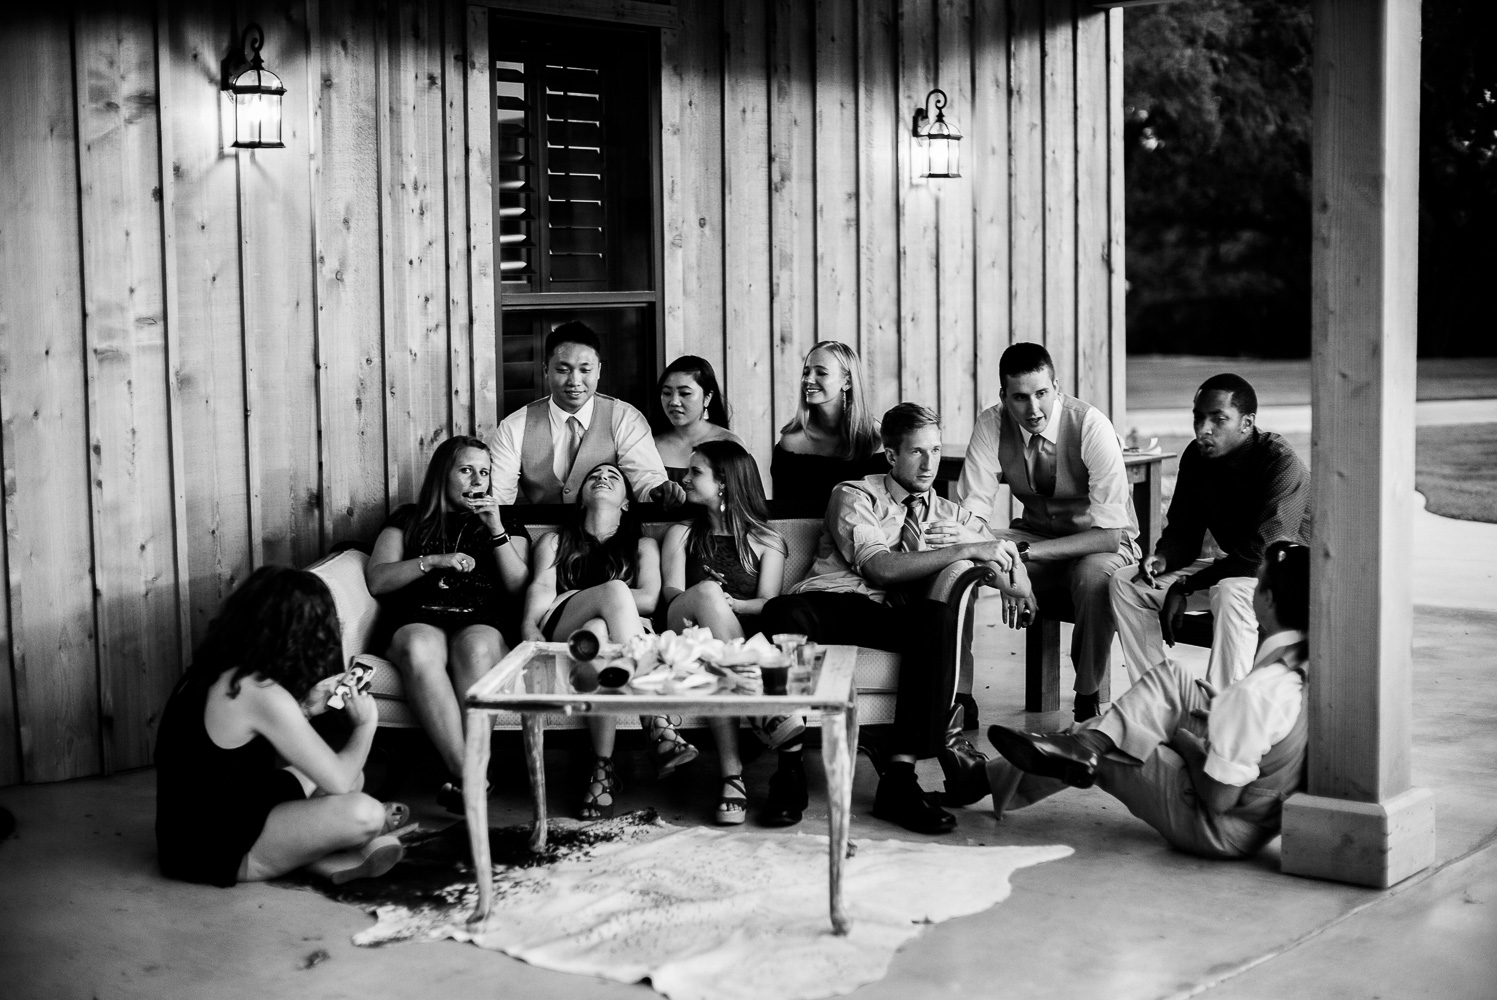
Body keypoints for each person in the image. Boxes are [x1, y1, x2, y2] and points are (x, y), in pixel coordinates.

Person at [760, 403, 1025, 834]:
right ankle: (788, 772)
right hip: (833, 604)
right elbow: (879, 568)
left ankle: (899, 781)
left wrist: (1019, 582)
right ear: (891, 455)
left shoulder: (949, 514)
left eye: (936, 451)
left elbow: (1002, 555)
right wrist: (964, 549)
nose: (929, 463)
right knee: (781, 611)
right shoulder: (854, 495)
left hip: (887, 617)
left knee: (935, 621)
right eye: (917, 452)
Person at [963, 541, 1311, 861]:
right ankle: (1080, 745)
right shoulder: (1304, 658)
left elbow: (1219, 799)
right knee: (1171, 678)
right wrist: (1225, 712)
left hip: (1219, 826)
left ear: (1266, 599)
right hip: (1254, 802)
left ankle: (982, 778)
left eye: (1257, 579)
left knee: (1116, 743)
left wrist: (1186, 744)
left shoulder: (1258, 692)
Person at [155, 567, 406, 887]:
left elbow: (239, 739)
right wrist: (366, 725)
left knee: (350, 774)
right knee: (365, 812)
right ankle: (316, 856)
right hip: (214, 853)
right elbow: (340, 783)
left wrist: (303, 708)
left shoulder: (218, 670)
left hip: (202, 824)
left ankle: (318, 852)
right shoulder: (260, 691)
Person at [955, 342, 1138, 722]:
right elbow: (970, 521)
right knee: (959, 567)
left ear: (1057, 386)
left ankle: (1086, 696)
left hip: (1100, 543)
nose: (1033, 409)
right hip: (1036, 534)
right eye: (1020, 398)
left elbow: (1109, 535)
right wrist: (1004, 569)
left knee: (1093, 577)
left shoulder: (1091, 426)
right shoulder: (992, 424)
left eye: (1041, 394)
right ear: (1004, 396)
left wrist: (1017, 558)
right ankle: (960, 693)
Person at [1110, 374, 1311, 691]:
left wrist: (1187, 585)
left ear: (1246, 423)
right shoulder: (1197, 456)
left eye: (1218, 419)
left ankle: (1219, 715)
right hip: (1240, 573)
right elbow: (1183, 533)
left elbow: (1261, 556)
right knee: (1126, 583)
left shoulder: (1280, 462)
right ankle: (1159, 699)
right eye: (1198, 418)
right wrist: (1163, 560)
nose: (1204, 429)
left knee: (1229, 592)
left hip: (1292, 584)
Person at [522, 461, 699, 818]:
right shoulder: (555, 540)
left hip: (610, 637)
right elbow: (542, 586)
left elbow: (650, 598)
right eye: (594, 478)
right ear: (582, 498)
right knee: (615, 593)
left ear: (626, 503)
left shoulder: (643, 543)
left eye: (612, 478)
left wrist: (605, 608)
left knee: (599, 635)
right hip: (564, 622)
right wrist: (529, 624)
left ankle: (601, 770)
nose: (602, 479)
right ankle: (655, 720)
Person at [365, 436, 530, 812]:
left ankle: (467, 777)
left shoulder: (504, 520)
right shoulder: (407, 518)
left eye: (484, 473)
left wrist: (495, 529)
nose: (477, 481)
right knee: (418, 645)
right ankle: (471, 776)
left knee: (474, 648)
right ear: (443, 474)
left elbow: (519, 587)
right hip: (419, 614)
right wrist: (432, 561)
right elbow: (378, 579)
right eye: (466, 470)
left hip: (482, 618)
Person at [659, 440, 793, 826]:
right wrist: (711, 598)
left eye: (695, 472)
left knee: (719, 660)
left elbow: (768, 602)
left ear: (723, 483)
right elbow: (669, 594)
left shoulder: (767, 541)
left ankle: (732, 778)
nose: (684, 478)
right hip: (683, 628)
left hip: (726, 644)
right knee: (706, 593)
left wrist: (728, 605)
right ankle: (759, 705)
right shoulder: (681, 534)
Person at [488, 320, 686, 507]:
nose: (575, 381)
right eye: (563, 370)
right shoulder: (514, 426)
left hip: (611, 535)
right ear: (546, 370)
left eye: (585, 370)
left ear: (598, 371)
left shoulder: (625, 418)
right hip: (540, 534)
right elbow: (499, 497)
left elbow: (645, 479)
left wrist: (657, 491)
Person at [771, 341, 888, 515]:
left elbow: (888, 511)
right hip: (801, 539)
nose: (808, 380)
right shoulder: (790, 442)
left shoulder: (876, 439)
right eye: (806, 372)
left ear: (847, 382)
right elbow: (782, 513)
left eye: (821, 373)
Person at [651, 355, 745, 483]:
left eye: (684, 393)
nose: (674, 402)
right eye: (667, 393)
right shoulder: (649, 445)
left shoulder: (730, 444)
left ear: (707, 397)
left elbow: (747, 500)